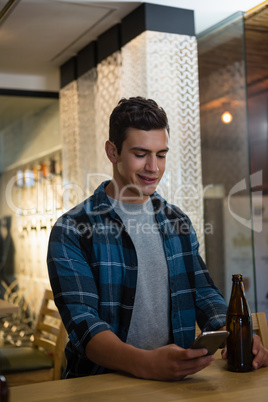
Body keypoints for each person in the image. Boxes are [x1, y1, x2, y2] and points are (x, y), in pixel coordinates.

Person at [47, 96, 268, 381]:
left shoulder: (177, 222)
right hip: (100, 384)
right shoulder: (72, 229)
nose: (153, 167)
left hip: (176, 381)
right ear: (112, 152)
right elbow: (83, 324)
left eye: (161, 154)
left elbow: (202, 293)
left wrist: (239, 336)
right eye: (141, 154)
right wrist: (147, 364)